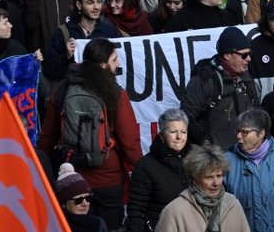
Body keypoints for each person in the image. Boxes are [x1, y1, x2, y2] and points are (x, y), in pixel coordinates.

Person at [39, 39, 144, 230]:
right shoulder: (115, 94)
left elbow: (47, 137)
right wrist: (142, 171)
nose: (118, 63)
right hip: (108, 181)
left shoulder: (62, 90)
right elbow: (130, 142)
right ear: (103, 64)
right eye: (114, 59)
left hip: (73, 181)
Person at [224, 108, 274, 232]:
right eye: (238, 131)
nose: (239, 137)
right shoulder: (226, 161)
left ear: (261, 133)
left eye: (245, 132)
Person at [180, 27, 260, 148]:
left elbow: (257, 111)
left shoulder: (247, 78)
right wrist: (206, 144)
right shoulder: (204, 80)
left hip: (247, 154)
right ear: (227, 55)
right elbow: (185, 117)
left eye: (250, 54)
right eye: (244, 55)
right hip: (216, 160)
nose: (249, 59)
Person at [154, 143, 251, 232]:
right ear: (195, 177)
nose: (216, 183)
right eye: (209, 177)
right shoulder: (174, 211)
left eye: (219, 176)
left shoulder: (233, 204)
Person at [127, 108, 192, 232]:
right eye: (173, 131)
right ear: (162, 134)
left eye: (183, 132)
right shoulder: (145, 166)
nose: (179, 137)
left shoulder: (197, 159)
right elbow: (136, 209)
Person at [55, 163, 108, 232]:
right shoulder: (54, 226)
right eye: (78, 200)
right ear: (64, 203)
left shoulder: (98, 223)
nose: (85, 204)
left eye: (88, 198)